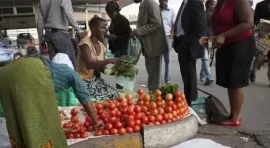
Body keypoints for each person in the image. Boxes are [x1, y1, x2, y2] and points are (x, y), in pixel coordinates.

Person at [0, 56, 103, 147]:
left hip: (5, 75)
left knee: (18, 117)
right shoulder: (69, 72)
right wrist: (95, 121)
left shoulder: (48, 67)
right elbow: (84, 96)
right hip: (29, 72)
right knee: (42, 130)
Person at [211, 0, 255, 126]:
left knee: (236, 81)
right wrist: (215, 37)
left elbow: (248, 22)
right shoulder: (221, 2)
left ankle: (235, 118)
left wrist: (224, 35)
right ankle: (232, 114)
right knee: (230, 80)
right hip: (227, 45)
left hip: (241, 44)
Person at [77, 17, 121, 101]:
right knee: (101, 99)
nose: (104, 30)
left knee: (114, 95)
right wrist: (109, 60)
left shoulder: (102, 46)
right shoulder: (85, 43)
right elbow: (89, 64)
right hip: (83, 81)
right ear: (93, 28)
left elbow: (102, 69)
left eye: (105, 28)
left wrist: (116, 71)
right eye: (102, 28)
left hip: (94, 80)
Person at [174, 0, 205, 105]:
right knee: (186, 76)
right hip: (181, 43)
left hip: (188, 45)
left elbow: (199, 26)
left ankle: (192, 102)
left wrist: (186, 43)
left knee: (190, 76)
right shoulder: (185, 3)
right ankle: (189, 101)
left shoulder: (195, 2)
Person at [131, 0, 167, 91]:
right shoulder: (144, 4)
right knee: (153, 75)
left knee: (155, 77)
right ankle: (155, 97)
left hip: (154, 46)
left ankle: (155, 99)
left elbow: (156, 23)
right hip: (148, 46)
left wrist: (138, 31)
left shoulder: (151, 3)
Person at [37, 0, 79, 69]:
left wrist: (41, 39)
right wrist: (77, 29)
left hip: (48, 34)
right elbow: (68, 13)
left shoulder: (42, 1)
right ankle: (73, 79)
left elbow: (39, 22)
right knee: (71, 63)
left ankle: (58, 79)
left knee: (55, 64)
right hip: (60, 34)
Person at [250, 0, 270, 86]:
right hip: (264, 33)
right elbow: (255, 20)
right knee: (261, 55)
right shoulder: (260, 5)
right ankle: (253, 70)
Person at [159, 0, 175, 84]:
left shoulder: (171, 11)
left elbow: (174, 25)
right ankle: (158, 79)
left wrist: (172, 37)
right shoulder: (156, 10)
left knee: (167, 59)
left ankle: (167, 79)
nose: (163, 2)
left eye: (164, 0)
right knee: (158, 59)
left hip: (167, 36)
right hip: (157, 37)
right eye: (161, 0)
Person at [200, 0, 216, 85]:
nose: (214, 6)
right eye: (213, 4)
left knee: (206, 57)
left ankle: (203, 75)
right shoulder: (210, 15)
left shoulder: (205, 14)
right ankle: (209, 76)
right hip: (207, 38)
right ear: (209, 5)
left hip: (206, 39)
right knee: (206, 57)